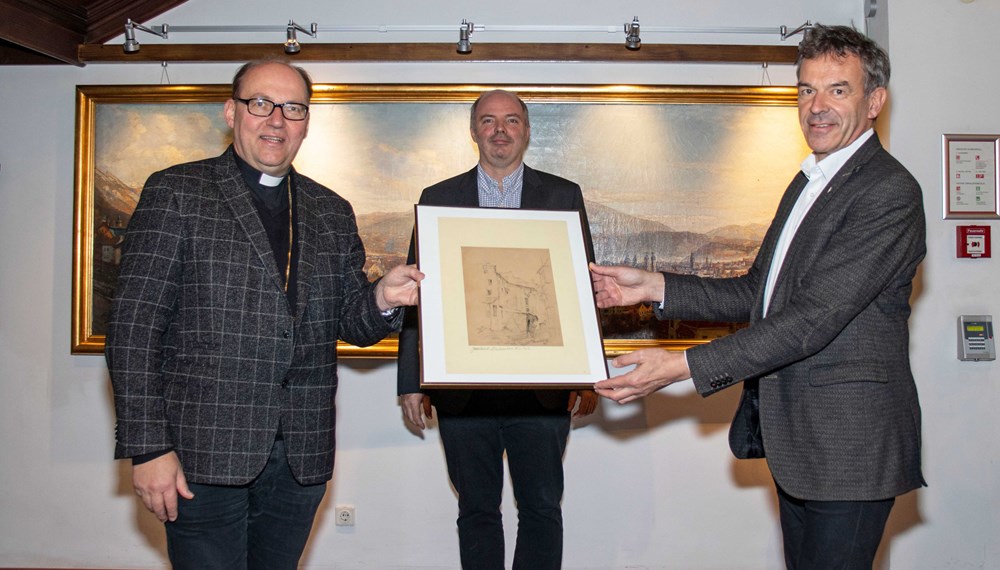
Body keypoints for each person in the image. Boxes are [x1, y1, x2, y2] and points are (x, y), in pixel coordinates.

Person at [590, 25, 925, 569]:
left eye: (838, 90)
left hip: (849, 449)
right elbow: (758, 292)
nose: (816, 106)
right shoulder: (810, 181)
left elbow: (809, 321)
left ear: (874, 102)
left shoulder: (888, 191)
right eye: (806, 90)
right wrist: (655, 286)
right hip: (799, 443)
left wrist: (679, 367)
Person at [106, 60, 422, 570]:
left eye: (293, 108)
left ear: (306, 122)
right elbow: (134, 329)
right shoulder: (178, 193)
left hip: (301, 456)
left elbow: (350, 324)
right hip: (201, 454)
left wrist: (383, 298)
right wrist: (148, 449)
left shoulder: (330, 210)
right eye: (261, 103)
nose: (277, 119)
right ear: (232, 112)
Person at [397, 89, 598, 570]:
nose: (500, 130)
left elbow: (581, 288)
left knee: (542, 510)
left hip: (542, 391)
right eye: (488, 121)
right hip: (463, 395)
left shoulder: (563, 195)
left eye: (511, 120)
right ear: (473, 132)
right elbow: (413, 295)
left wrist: (589, 374)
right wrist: (410, 381)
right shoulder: (438, 198)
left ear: (527, 131)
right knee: (476, 510)